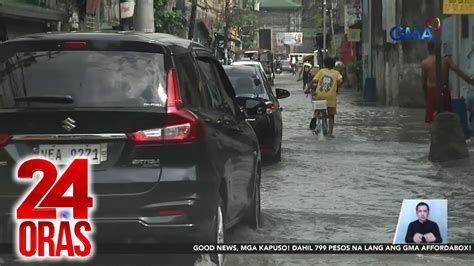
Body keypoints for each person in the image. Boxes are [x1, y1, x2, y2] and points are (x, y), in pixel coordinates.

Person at [421, 42, 474, 123]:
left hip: (432, 92)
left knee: (432, 121)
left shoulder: (425, 63)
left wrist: (426, 97)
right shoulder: (446, 61)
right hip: (444, 91)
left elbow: (423, 83)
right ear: (439, 48)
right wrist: (471, 82)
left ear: (428, 49)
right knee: (447, 119)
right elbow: (459, 72)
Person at [304, 57, 343, 138]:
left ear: (324, 64)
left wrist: (307, 90)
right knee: (331, 116)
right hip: (331, 97)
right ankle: (330, 133)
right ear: (333, 65)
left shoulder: (321, 71)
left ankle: (315, 117)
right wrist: (337, 88)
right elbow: (340, 81)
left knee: (317, 110)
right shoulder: (336, 73)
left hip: (320, 95)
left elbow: (313, 81)